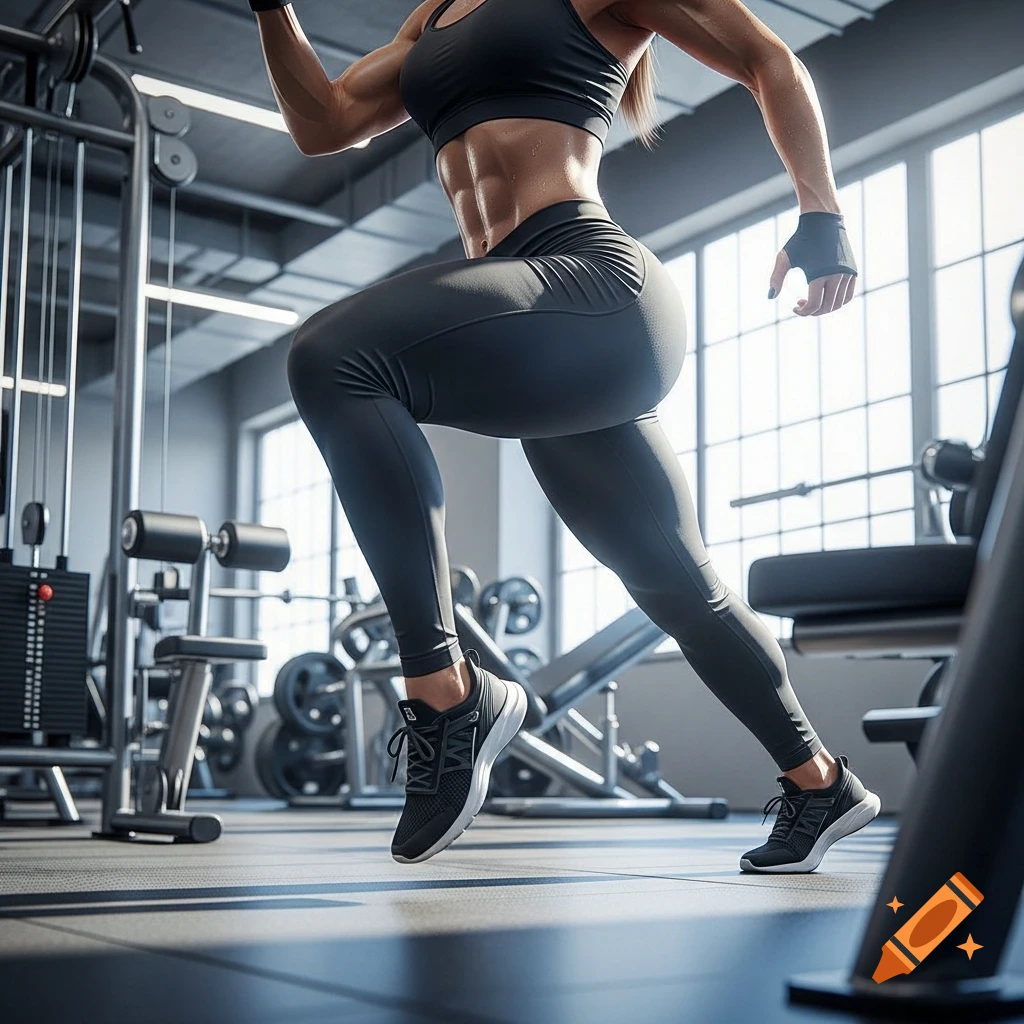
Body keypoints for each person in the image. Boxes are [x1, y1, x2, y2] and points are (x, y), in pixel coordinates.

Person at [250, 0, 878, 868]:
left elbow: (770, 58)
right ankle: (819, 783)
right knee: (676, 585)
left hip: (594, 288)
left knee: (332, 356)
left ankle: (446, 694)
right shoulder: (429, 14)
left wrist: (823, 214)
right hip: (535, 313)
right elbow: (325, 122)